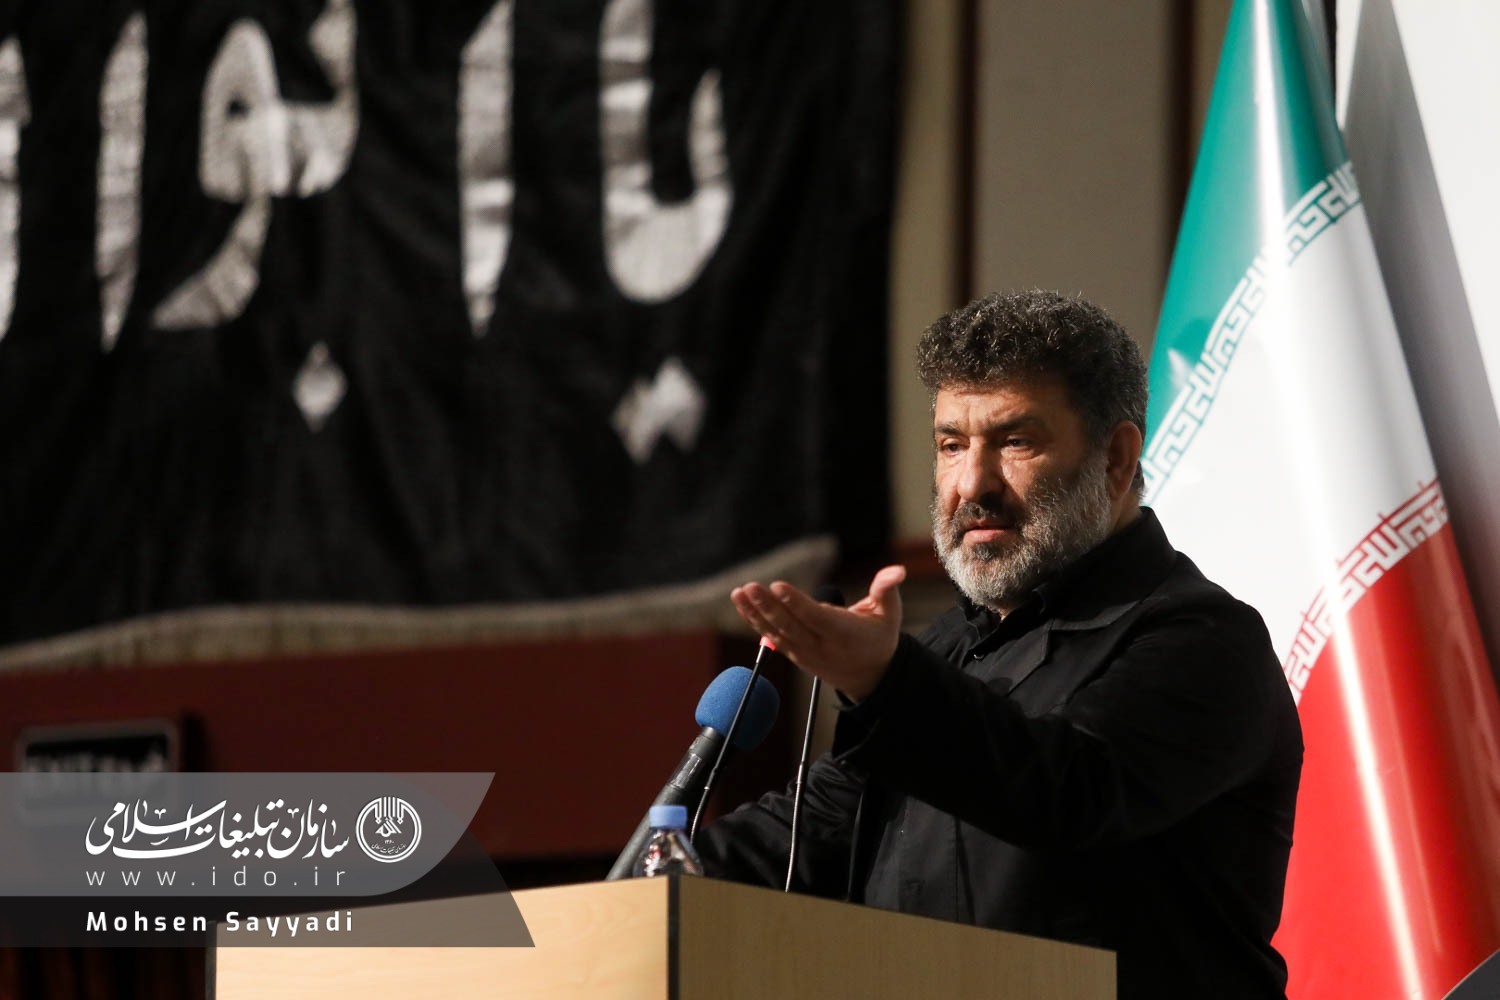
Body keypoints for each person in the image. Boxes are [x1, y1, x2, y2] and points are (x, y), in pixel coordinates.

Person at [697, 290, 1303, 999]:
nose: (972, 484)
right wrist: (646, 880)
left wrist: (887, 682)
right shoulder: (946, 648)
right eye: (951, 445)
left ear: (1115, 458)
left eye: (1015, 441)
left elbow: (1066, 792)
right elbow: (810, 830)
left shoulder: (1205, 642)